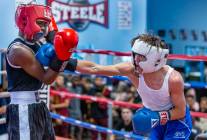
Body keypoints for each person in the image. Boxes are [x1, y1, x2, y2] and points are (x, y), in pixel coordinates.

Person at [41, 33, 192, 139]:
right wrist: (63, 60)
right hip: (154, 117)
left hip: (177, 121)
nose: (135, 60)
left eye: (141, 57)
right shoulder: (132, 70)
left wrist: (159, 116)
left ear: (155, 59)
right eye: (135, 55)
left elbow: (180, 111)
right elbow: (95, 68)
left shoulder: (173, 79)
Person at [6, 4, 78, 140]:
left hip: (38, 105)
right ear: (25, 21)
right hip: (23, 108)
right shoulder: (18, 50)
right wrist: (62, 56)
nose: (44, 28)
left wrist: (63, 52)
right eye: (40, 23)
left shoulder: (38, 45)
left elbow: (67, 64)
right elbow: (47, 78)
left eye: (46, 24)